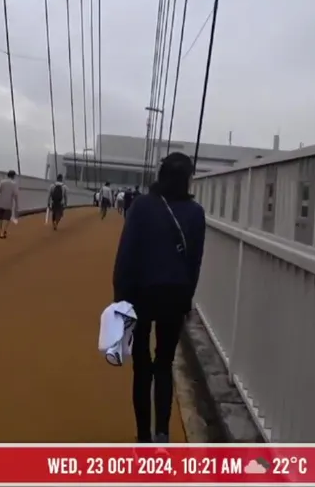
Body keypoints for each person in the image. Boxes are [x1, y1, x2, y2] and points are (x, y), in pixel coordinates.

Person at [111, 152, 205, 443]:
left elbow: (126, 256)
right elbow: (194, 263)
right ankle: (162, 434)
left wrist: (120, 299)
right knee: (164, 363)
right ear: (187, 178)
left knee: (142, 366)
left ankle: (143, 437)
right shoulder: (196, 213)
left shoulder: (141, 206)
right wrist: (187, 298)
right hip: (174, 296)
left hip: (140, 294)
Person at [0, 170, 20, 239]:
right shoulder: (14, 184)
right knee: (7, 218)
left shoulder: (2, 182)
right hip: (8, 204)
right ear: (13, 176)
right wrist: (17, 204)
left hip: (0, 203)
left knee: (0, 218)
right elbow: (16, 195)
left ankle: (1, 231)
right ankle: (2, 233)